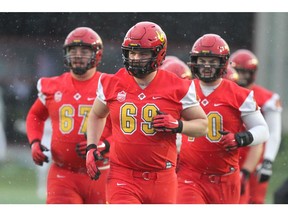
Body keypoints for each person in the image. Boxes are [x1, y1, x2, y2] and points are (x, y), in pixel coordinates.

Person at [85, 21, 208, 204]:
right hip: (123, 177)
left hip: (163, 178)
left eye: (143, 53)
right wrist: (91, 147)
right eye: (132, 52)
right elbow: (96, 114)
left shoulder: (177, 86)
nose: (135, 58)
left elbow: (202, 126)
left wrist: (177, 125)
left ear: (159, 54)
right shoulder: (112, 82)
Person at [176, 33, 269, 204]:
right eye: (202, 61)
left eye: (212, 62)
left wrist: (240, 138)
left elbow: (263, 131)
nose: (206, 66)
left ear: (223, 63)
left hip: (225, 177)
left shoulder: (240, 94)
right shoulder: (182, 89)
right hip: (189, 175)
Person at [26, 27, 112, 204]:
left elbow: (125, 128)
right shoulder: (53, 86)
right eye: (73, 51)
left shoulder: (110, 85)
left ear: (97, 55)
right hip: (63, 174)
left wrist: (104, 145)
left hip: (102, 172)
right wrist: (35, 142)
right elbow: (35, 115)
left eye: (84, 51)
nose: (78, 55)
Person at [230, 49, 282, 204]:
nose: (242, 76)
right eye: (238, 71)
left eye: (246, 72)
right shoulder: (226, 91)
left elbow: (274, 132)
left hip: (254, 155)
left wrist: (267, 161)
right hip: (230, 152)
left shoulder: (267, 98)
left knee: (255, 201)